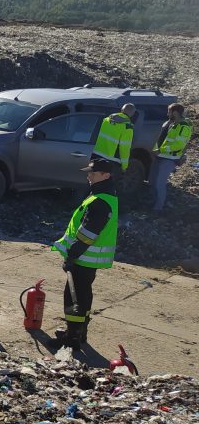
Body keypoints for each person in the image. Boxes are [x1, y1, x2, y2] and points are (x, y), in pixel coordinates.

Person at [51, 158, 119, 349]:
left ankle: (72, 338)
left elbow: (88, 234)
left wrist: (72, 256)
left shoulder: (100, 201)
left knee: (74, 297)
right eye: (89, 172)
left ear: (106, 175)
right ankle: (79, 333)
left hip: (83, 258)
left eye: (93, 173)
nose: (88, 176)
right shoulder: (103, 195)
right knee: (83, 295)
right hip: (87, 258)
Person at [151, 102, 192, 213]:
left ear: (175, 112)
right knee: (152, 180)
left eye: (169, 111)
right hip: (159, 156)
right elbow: (162, 138)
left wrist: (161, 150)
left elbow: (179, 145)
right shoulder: (172, 123)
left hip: (169, 159)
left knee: (160, 182)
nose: (167, 113)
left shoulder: (184, 127)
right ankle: (155, 201)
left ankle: (158, 207)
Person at [92, 103, 136, 172]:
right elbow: (124, 148)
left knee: (93, 178)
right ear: (132, 114)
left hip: (95, 154)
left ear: (122, 110)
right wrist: (124, 166)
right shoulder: (127, 127)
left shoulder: (107, 119)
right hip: (110, 159)